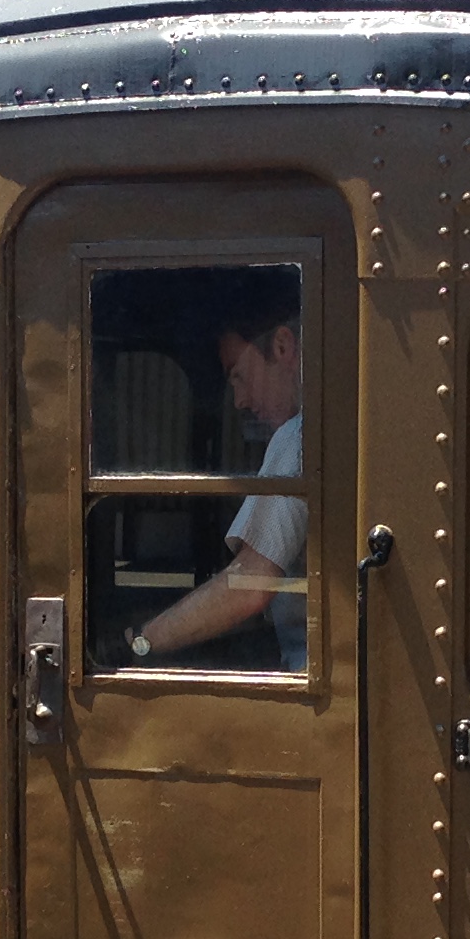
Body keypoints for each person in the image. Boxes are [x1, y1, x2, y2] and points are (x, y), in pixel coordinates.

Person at [119, 273, 309, 670]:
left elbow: (250, 583)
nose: (238, 400)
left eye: (238, 374)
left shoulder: (297, 438)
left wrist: (142, 641)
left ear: (282, 346)